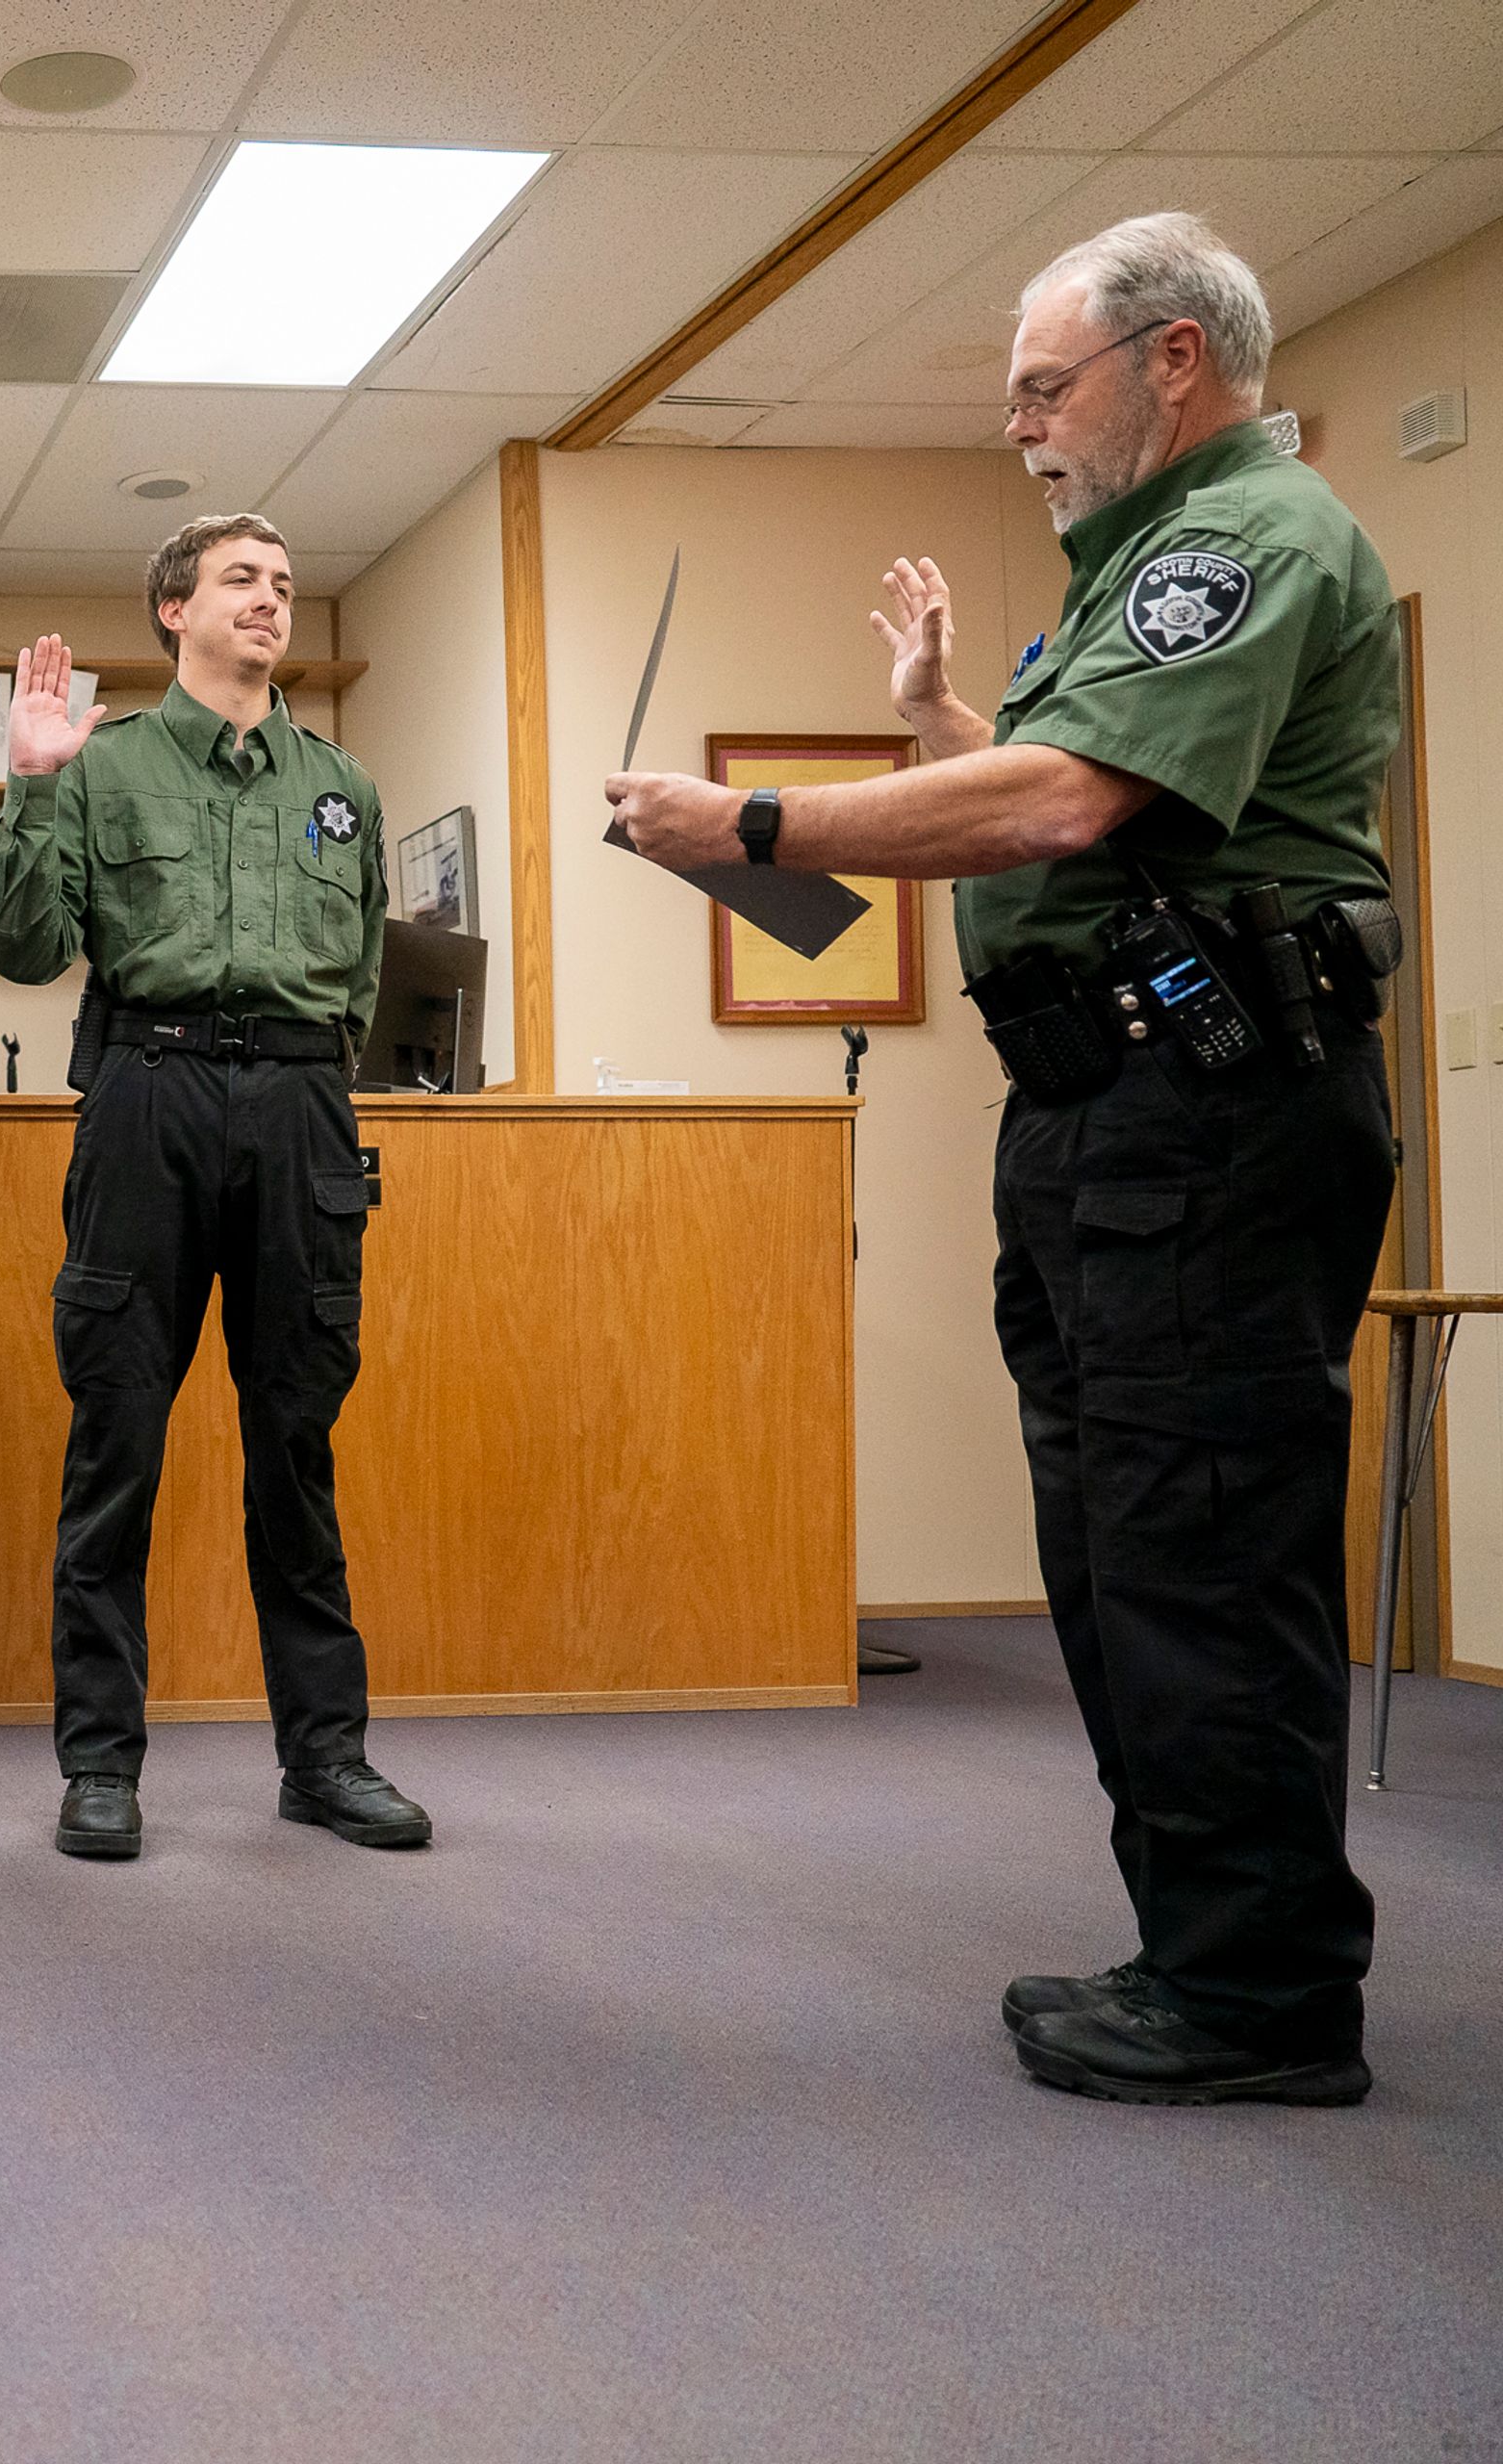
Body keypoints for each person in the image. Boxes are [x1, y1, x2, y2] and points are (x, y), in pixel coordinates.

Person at [608, 214, 1402, 2107]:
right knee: (1125, 1553)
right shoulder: (1133, 574)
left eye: (1047, 387)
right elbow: (1088, 810)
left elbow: (1064, 799)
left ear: (1176, 362)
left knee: (1197, 1548)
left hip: (1202, 1117)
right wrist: (933, 722)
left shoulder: (1247, 540)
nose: (1024, 426)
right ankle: (1199, 1945)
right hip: (1105, 1122)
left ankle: (1264, 1991)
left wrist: (762, 815)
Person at [0, 517, 434, 1860]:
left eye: (287, 584)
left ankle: (325, 1757)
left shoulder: (339, 781)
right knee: (118, 1443)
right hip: (146, 1101)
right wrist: (34, 782)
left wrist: (307, 1091)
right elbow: (19, 939)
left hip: (297, 1110)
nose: (272, 602)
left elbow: (356, 975)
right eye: (241, 581)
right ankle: (99, 1766)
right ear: (173, 608)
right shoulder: (104, 768)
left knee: (296, 1445)